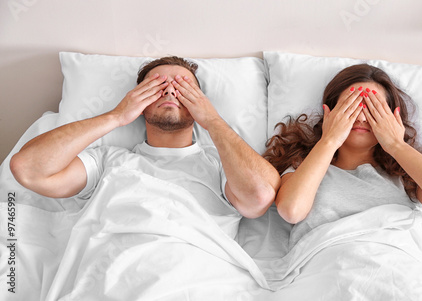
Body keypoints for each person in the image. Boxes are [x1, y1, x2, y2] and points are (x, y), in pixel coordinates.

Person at [10, 56, 281, 238]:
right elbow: (29, 169)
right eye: (157, 85)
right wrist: (115, 116)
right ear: (137, 101)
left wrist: (212, 120)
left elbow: (259, 196)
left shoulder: (223, 167)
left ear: (200, 101)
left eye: (184, 88)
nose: (170, 92)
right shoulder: (108, 162)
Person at [263, 64, 422, 246]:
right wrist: (330, 140)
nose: (361, 117)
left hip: (398, 259)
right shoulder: (303, 165)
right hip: (329, 264)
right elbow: (291, 210)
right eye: (351, 107)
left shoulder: (405, 173)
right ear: (330, 113)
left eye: (372, 108)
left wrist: (396, 144)